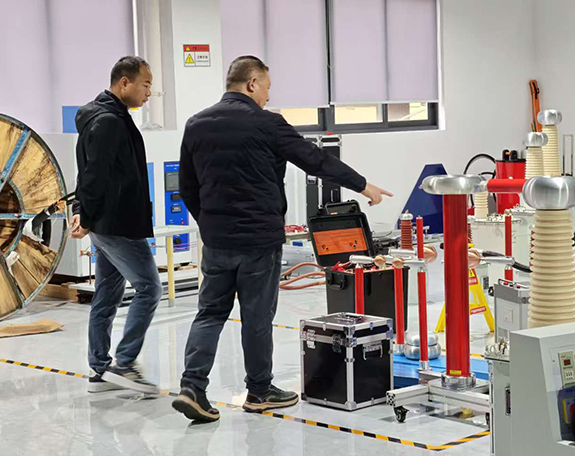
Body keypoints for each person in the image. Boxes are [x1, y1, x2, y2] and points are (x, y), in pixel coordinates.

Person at [171, 55, 392, 422]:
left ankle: (192, 386)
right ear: (252, 83)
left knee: (209, 313)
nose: (268, 97)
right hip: (258, 241)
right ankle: (259, 391)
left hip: (217, 240)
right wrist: (363, 185)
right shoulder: (267, 123)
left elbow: (187, 187)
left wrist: (209, 225)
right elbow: (315, 160)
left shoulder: (197, 124)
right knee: (256, 317)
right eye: (267, 88)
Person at [70, 56, 162, 394]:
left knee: (108, 294)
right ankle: (124, 363)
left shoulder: (106, 116)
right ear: (124, 83)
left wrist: (83, 211)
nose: (149, 92)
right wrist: (86, 215)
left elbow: (87, 170)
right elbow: (94, 174)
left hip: (108, 222)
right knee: (150, 287)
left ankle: (99, 370)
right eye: (146, 84)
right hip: (117, 223)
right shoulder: (109, 121)